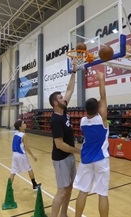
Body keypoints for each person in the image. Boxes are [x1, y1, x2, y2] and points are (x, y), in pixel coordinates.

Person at [73, 70, 110, 217]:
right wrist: (101, 79)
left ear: (86, 110)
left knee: (83, 191)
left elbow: (100, 101)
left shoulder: (82, 122)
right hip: (101, 159)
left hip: (86, 159)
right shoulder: (102, 120)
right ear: (98, 109)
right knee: (102, 194)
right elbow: (103, 97)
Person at [49, 70, 81, 217]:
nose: (64, 99)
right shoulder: (55, 120)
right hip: (61, 158)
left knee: (69, 188)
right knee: (62, 191)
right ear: (56, 103)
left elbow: (70, 89)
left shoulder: (64, 109)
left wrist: (74, 71)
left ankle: (64, 214)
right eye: (61, 98)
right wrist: (78, 151)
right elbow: (60, 144)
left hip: (69, 156)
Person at [9, 120, 41, 190]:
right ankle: (34, 185)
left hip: (14, 155)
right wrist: (33, 156)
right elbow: (26, 147)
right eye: (23, 124)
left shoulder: (15, 134)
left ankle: (9, 187)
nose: (25, 124)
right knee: (29, 169)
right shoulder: (23, 135)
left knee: (13, 172)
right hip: (21, 155)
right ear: (20, 127)